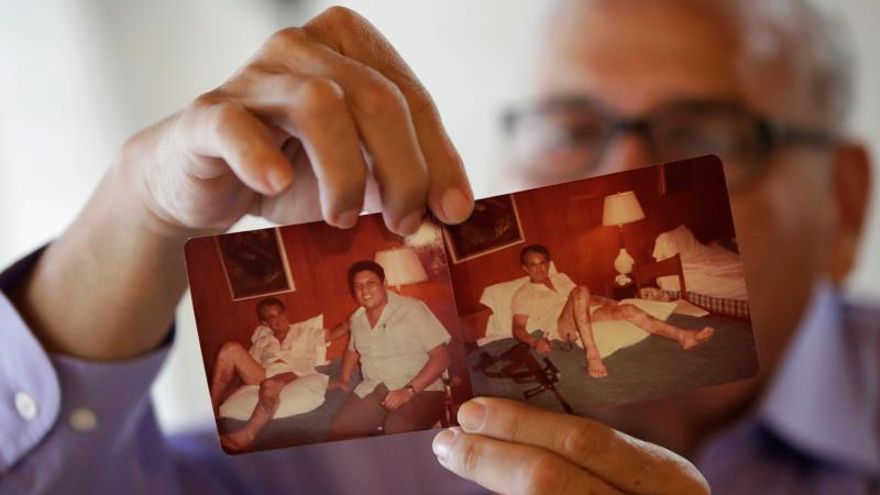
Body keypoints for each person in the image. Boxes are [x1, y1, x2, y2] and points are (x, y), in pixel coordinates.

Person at [0, 1, 875, 494]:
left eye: (706, 130)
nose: (626, 175)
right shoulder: (353, 449)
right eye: (572, 128)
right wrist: (138, 207)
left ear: (843, 204)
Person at [511, 244, 714, 377]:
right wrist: (534, 341)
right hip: (562, 328)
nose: (540, 269)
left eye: (543, 263)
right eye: (533, 265)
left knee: (628, 309)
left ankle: (683, 336)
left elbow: (583, 299)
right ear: (525, 268)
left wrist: (608, 302)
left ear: (549, 263)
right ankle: (592, 355)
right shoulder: (523, 293)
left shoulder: (560, 278)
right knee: (580, 289)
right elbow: (517, 329)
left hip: (587, 313)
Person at [326, 260, 450, 440]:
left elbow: (442, 358)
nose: (365, 291)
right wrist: (344, 379)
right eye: (358, 286)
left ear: (384, 284)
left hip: (422, 389)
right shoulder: (357, 319)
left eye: (371, 283)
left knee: (397, 430)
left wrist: (408, 391)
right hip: (376, 388)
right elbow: (352, 350)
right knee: (340, 430)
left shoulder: (412, 308)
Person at [209, 297, 349, 451]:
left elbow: (334, 333)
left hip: (295, 372)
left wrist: (354, 319)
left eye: (280, 313)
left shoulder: (305, 333)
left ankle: (248, 433)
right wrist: (233, 388)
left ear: (285, 313)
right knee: (229, 348)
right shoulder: (262, 341)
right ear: (265, 323)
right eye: (271, 317)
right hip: (265, 374)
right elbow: (246, 368)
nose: (278, 319)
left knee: (270, 384)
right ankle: (211, 409)